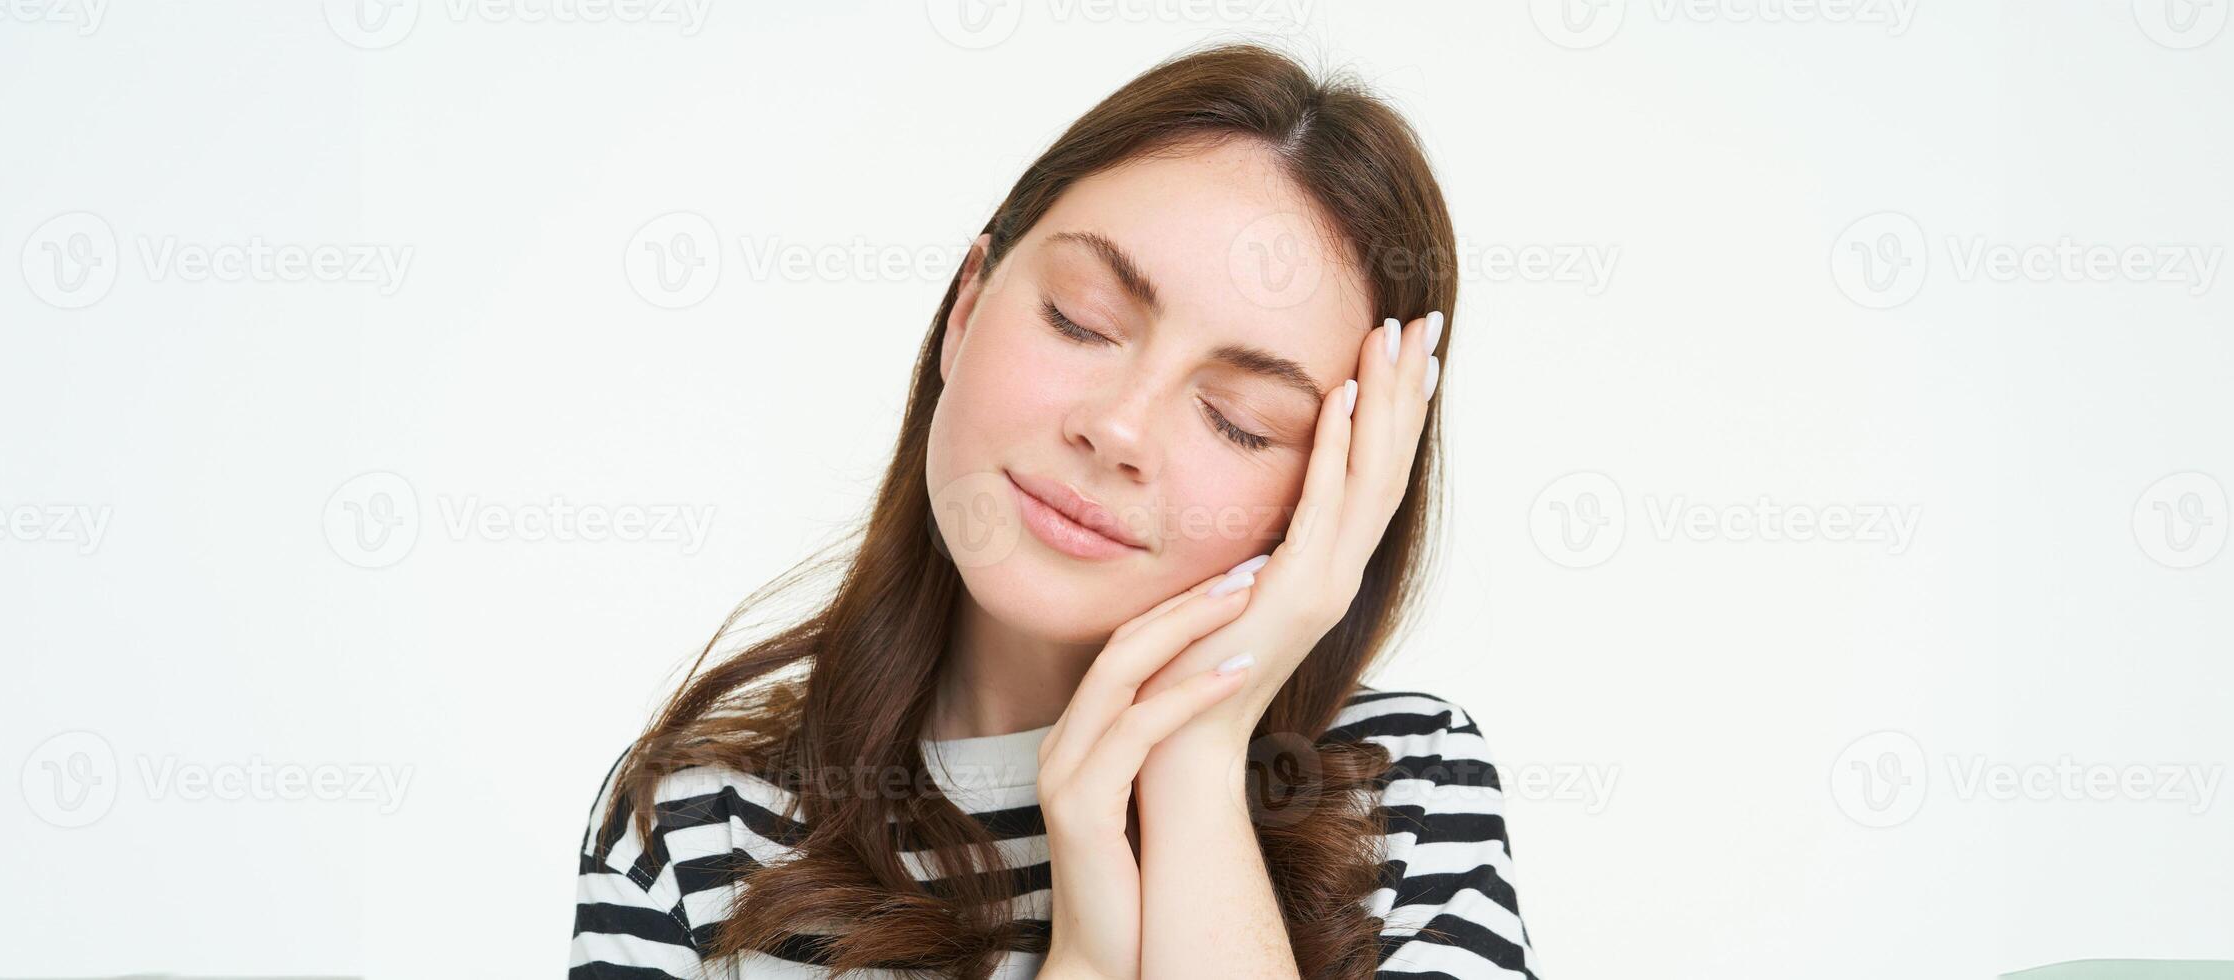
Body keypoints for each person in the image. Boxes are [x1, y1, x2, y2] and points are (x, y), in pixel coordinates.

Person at [572, 41, 1538, 980]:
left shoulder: (1405, 791)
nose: (1118, 429)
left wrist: (1195, 762)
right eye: (1081, 319)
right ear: (966, 306)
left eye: (1241, 422)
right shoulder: (691, 821)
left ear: (1341, 489)